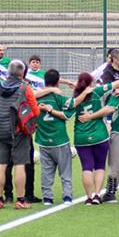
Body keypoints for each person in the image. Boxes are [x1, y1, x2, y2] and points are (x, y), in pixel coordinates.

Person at [65, 73, 119, 205]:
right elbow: (117, 84)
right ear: (91, 83)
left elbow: (66, 112)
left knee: (86, 167)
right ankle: (97, 195)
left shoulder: (75, 99)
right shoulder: (97, 91)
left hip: (81, 137)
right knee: (100, 166)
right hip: (100, 135)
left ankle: (89, 197)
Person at [0, 60, 40, 209]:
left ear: (8, 72)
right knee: (19, 165)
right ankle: (20, 199)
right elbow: (35, 112)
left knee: (0, 164)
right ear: (22, 73)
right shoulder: (25, 88)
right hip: (18, 132)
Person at [32, 69, 82, 206]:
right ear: (57, 82)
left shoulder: (36, 97)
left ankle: (47, 197)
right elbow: (72, 106)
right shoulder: (58, 96)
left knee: (46, 171)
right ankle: (67, 197)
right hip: (60, 139)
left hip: (42, 140)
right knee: (65, 170)